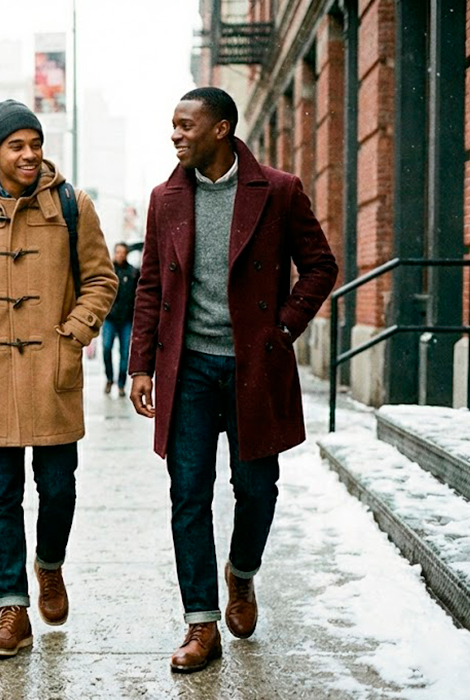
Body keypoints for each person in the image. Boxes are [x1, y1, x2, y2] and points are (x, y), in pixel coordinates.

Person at [128, 87, 338, 673]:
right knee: (188, 492)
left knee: (256, 488)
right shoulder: (165, 198)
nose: (176, 135)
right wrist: (141, 363)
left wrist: (283, 330)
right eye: (172, 125)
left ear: (221, 130)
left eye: (186, 125)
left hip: (253, 365)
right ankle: (200, 622)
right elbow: (150, 286)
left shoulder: (277, 190)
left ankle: (241, 574)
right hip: (187, 367)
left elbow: (321, 265)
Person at [0, 99, 117, 659]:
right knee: (1, 496)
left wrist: (74, 333)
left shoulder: (71, 203)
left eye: (35, 143)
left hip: (54, 369)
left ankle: (50, 565)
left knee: (59, 488)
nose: (30, 154)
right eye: (17, 145)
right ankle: (11, 608)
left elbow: (101, 279)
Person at [102, 242, 139, 397]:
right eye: (117, 252)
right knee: (106, 348)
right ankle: (110, 378)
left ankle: (121, 384)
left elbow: (138, 296)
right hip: (109, 319)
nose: (120, 255)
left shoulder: (133, 272)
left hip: (126, 320)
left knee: (125, 353)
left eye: (123, 252)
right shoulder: (108, 271)